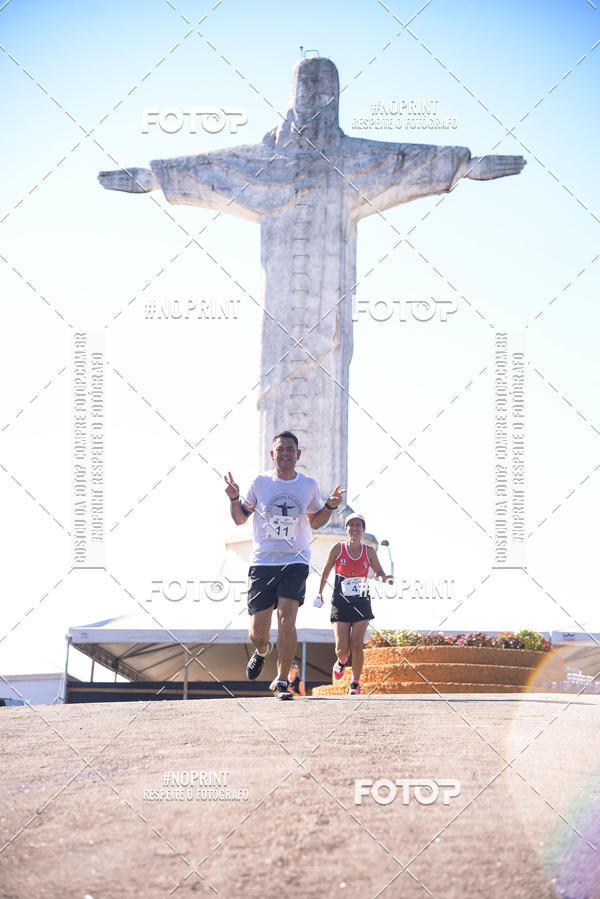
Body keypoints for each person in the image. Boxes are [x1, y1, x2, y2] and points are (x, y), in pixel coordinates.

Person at [225, 431, 345, 700]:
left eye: (291, 449)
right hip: (263, 562)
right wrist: (234, 498)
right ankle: (261, 651)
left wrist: (329, 506)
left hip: (295, 560)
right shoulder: (260, 482)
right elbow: (240, 519)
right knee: (258, 633)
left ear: (298, 454)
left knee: (287, 619)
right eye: (280, 449)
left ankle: (281, 681)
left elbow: (315, 522)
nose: (286, 453)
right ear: (272, 454)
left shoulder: (308, 485)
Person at [316, 513, 393, 695]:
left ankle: (355, 683)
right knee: (342, 648)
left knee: (357, 644)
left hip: (361, 601)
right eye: (351, 525)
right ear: (346, 529)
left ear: (363, 529)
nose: (355, 528)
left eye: (358, 525)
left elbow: (378, 572)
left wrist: (385, 578)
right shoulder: (338, 548)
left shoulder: (369, 551)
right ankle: (341, 661)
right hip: (340, 602)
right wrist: (320, 592)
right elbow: (326, 571)